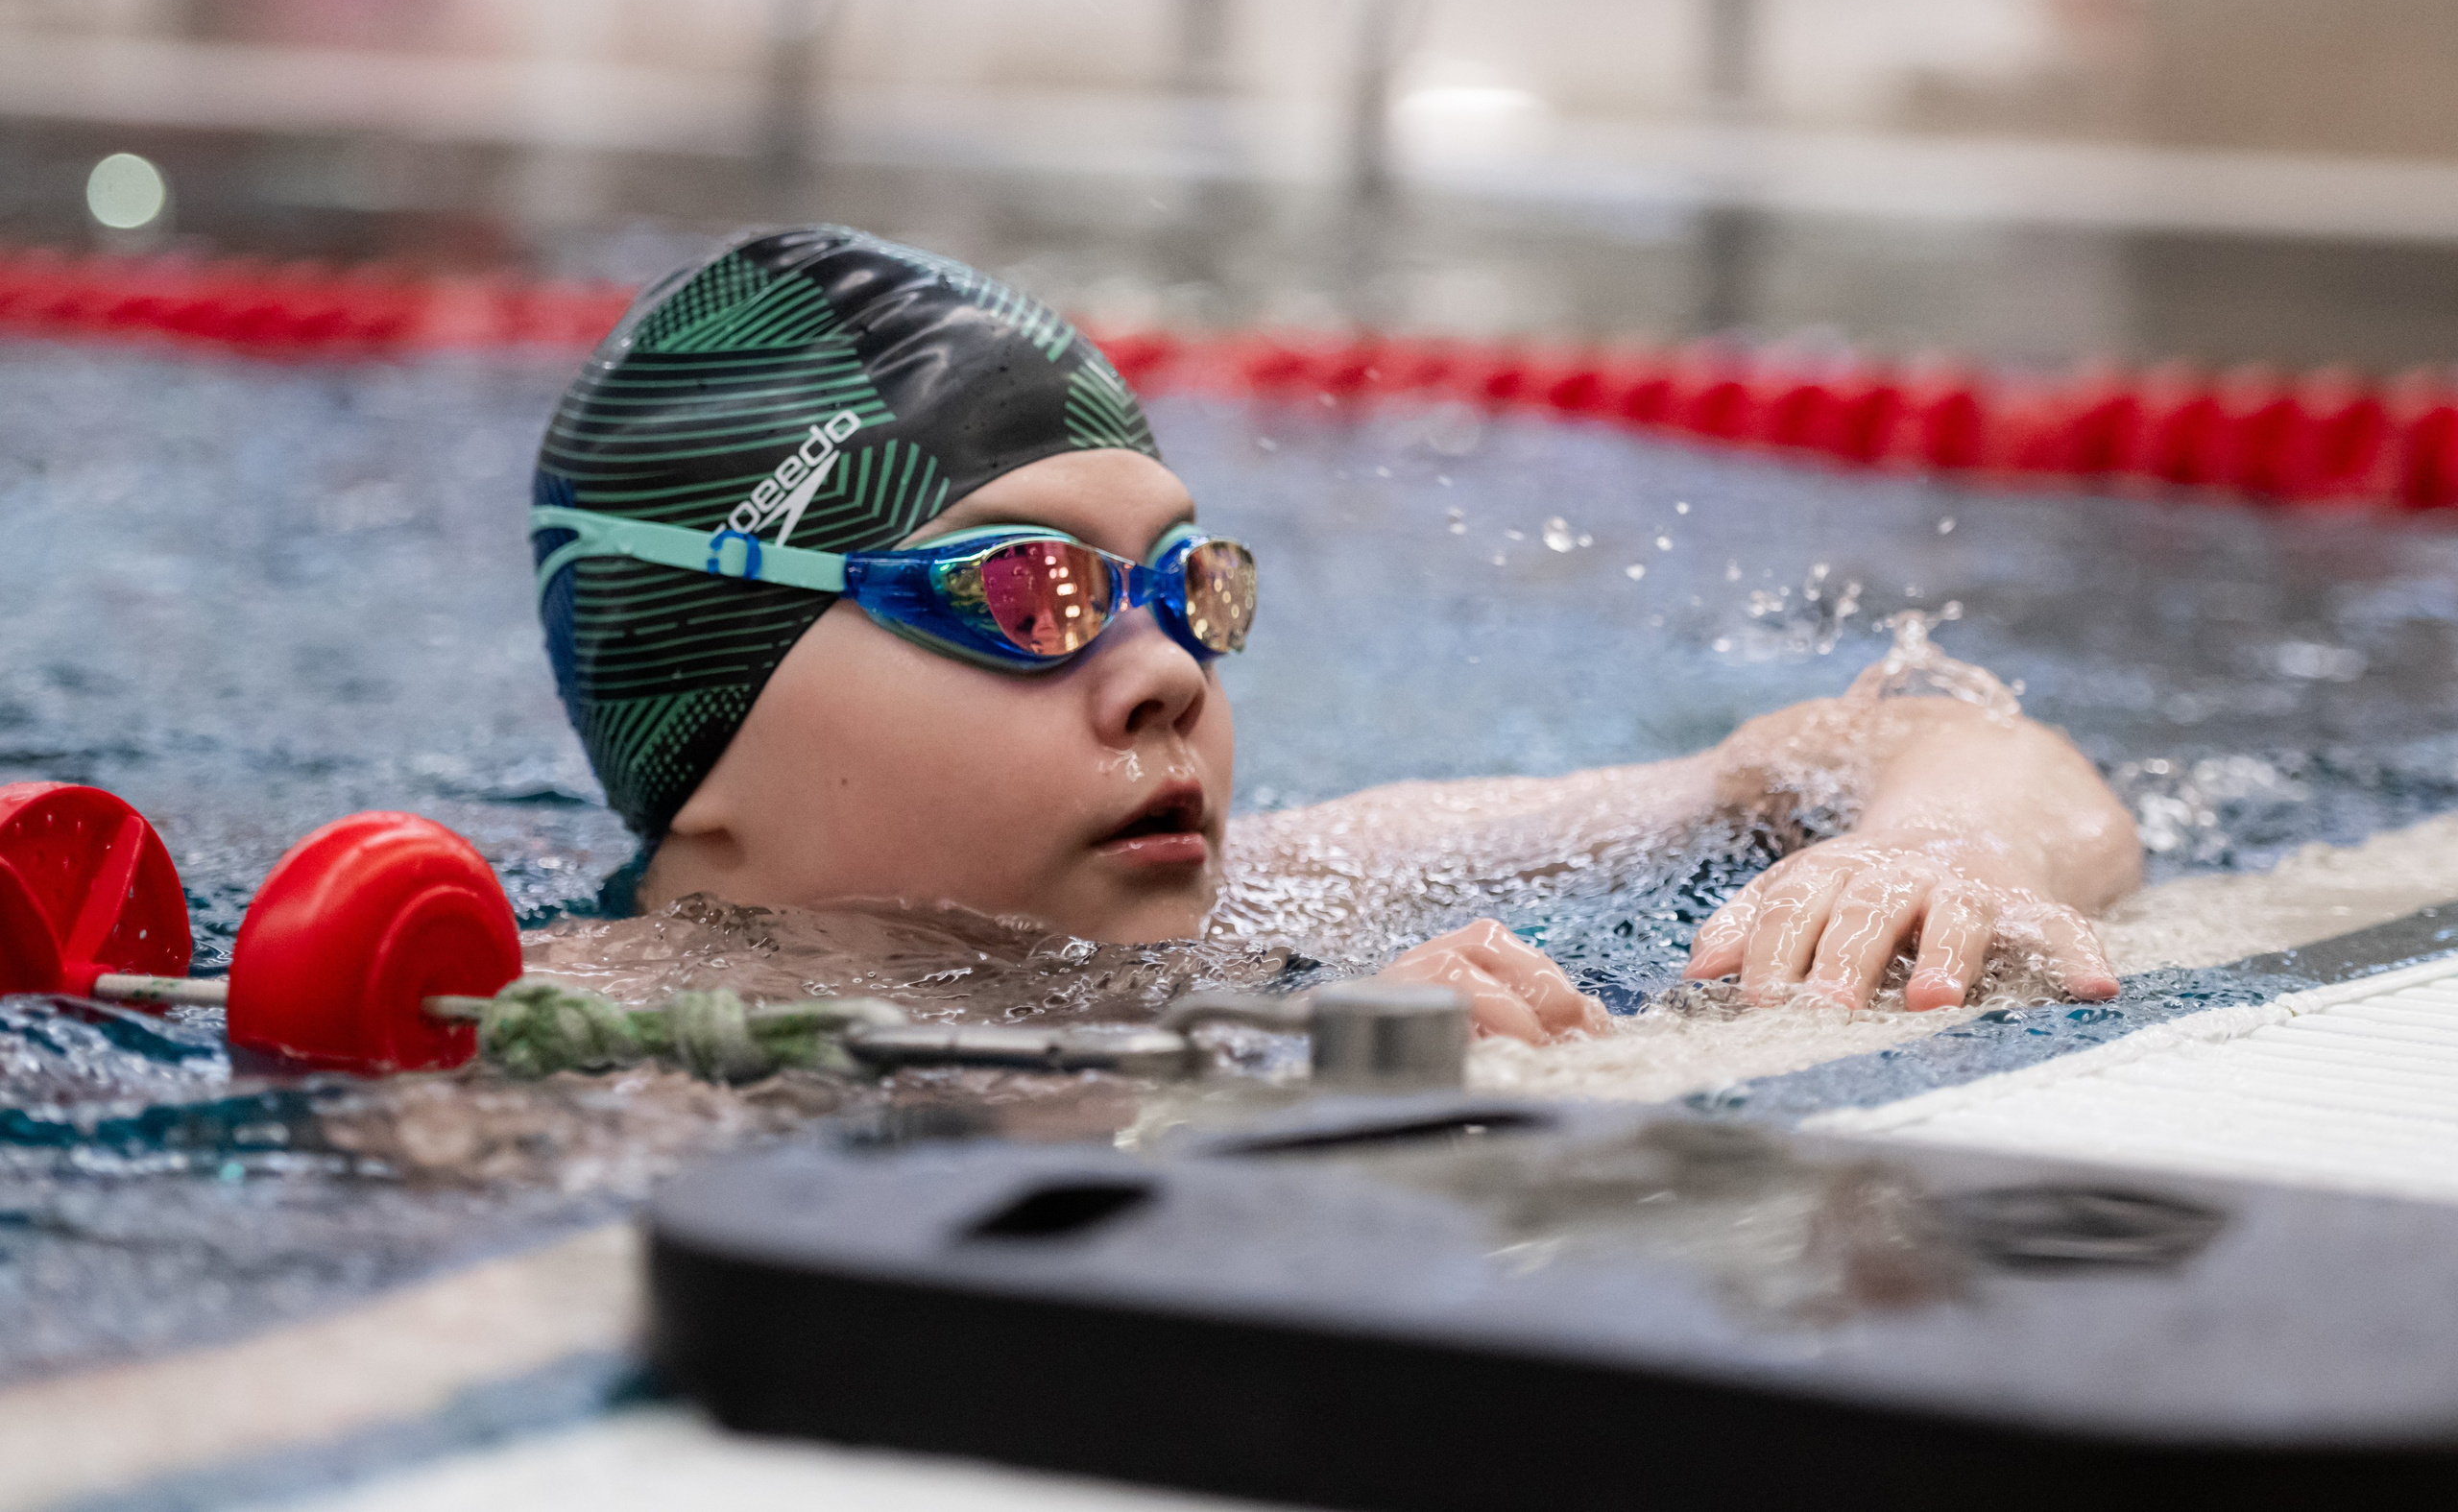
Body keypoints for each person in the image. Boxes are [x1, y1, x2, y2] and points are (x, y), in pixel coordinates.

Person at [530, 228, 2141, 1046]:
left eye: (1189, 588)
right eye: (1030, 596)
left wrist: (1936, 843)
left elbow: (1889, 742)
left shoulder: (1307, 885)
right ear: (712, 744)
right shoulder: (561, 1035)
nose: (1165, 672)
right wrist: (1238, 1091)